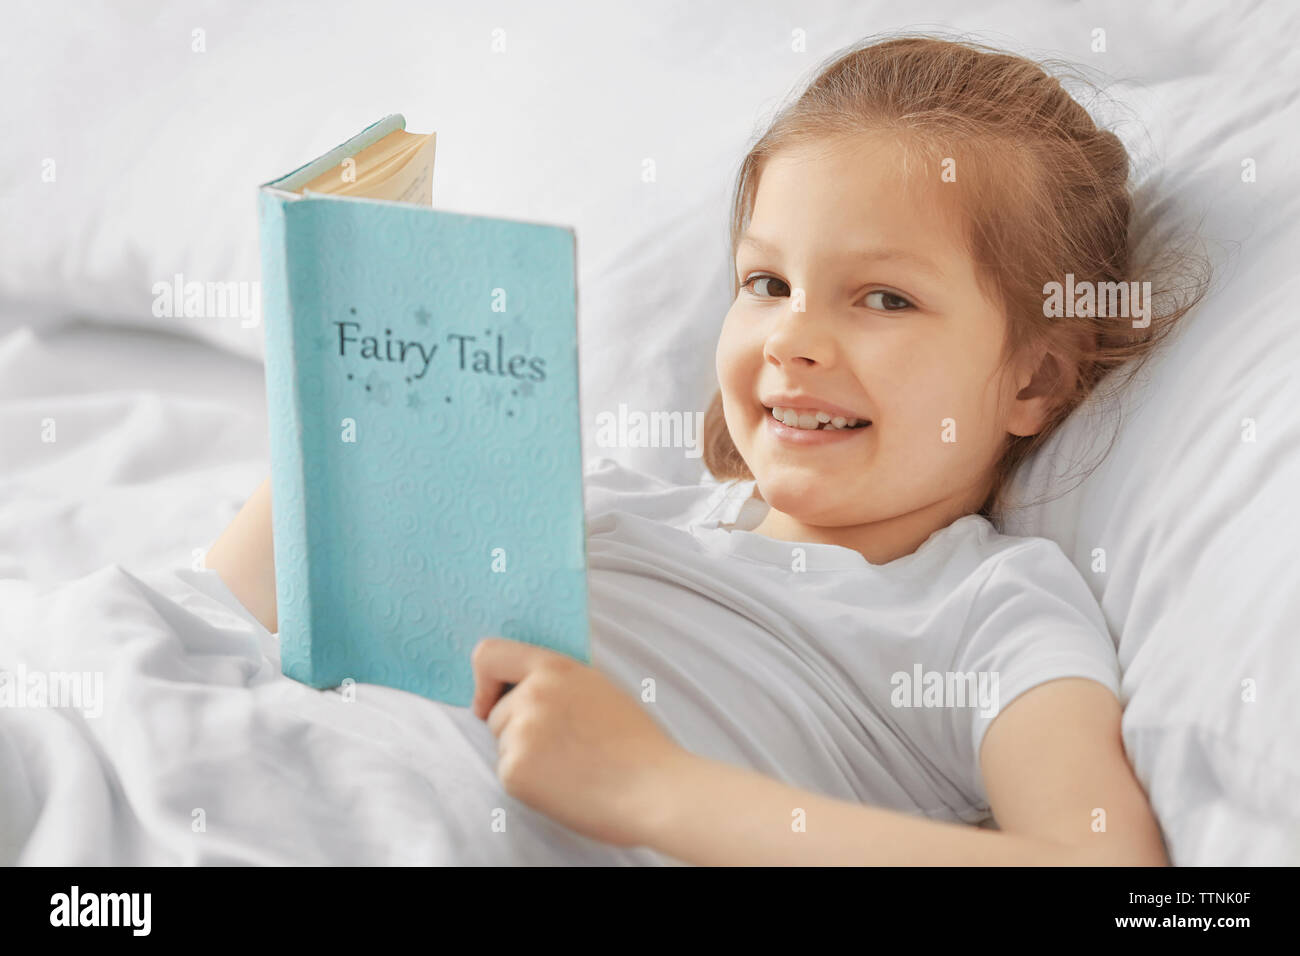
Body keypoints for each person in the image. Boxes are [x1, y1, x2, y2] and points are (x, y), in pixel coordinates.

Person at [209, 35, 1205, 864]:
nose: (791, 339)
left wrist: (651, 785)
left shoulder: (984, 611)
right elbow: (235, 607)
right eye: (766, 283)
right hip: (237, 751)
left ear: (1032, 378)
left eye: (883, 298)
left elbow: (1117, 884)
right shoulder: (596, 496)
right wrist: (353, 374)